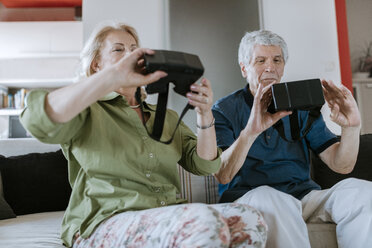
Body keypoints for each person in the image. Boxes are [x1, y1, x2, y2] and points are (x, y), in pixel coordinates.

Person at [20, 22, 267, 248]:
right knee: (202, 220)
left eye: (133, 49)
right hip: (103, 221)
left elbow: (204, 164)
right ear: (97, 64)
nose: (129, 55)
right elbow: (36, 120)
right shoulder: (86, 109)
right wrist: (113, 76)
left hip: (165, 214)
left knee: (249, 219)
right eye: (118, 50)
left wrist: (204, 114)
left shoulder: (166, 117)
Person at [212, 29, 372, 248]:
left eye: (277, 60)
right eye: (260, 60)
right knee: (273, 199)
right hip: (250, 198)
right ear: (244, 68)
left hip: (302, 197)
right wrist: (250, 132)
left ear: (283, 66)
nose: (270, 67)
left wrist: (351, 127)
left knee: (362, 192)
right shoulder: (224, 110)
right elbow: (222, 174)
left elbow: (342, 165)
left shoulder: (300, 105)